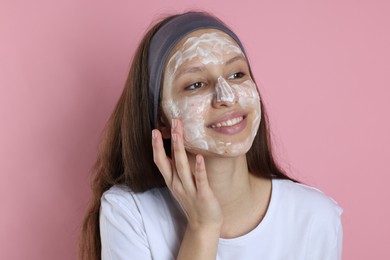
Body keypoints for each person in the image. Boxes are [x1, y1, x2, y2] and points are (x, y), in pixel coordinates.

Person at [79, 11, 343, 260]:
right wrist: (203, 228)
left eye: (237, 74)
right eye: (196, 84)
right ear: (162, 118)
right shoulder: (129, 213)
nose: (227, 96)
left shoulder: (316, 217)